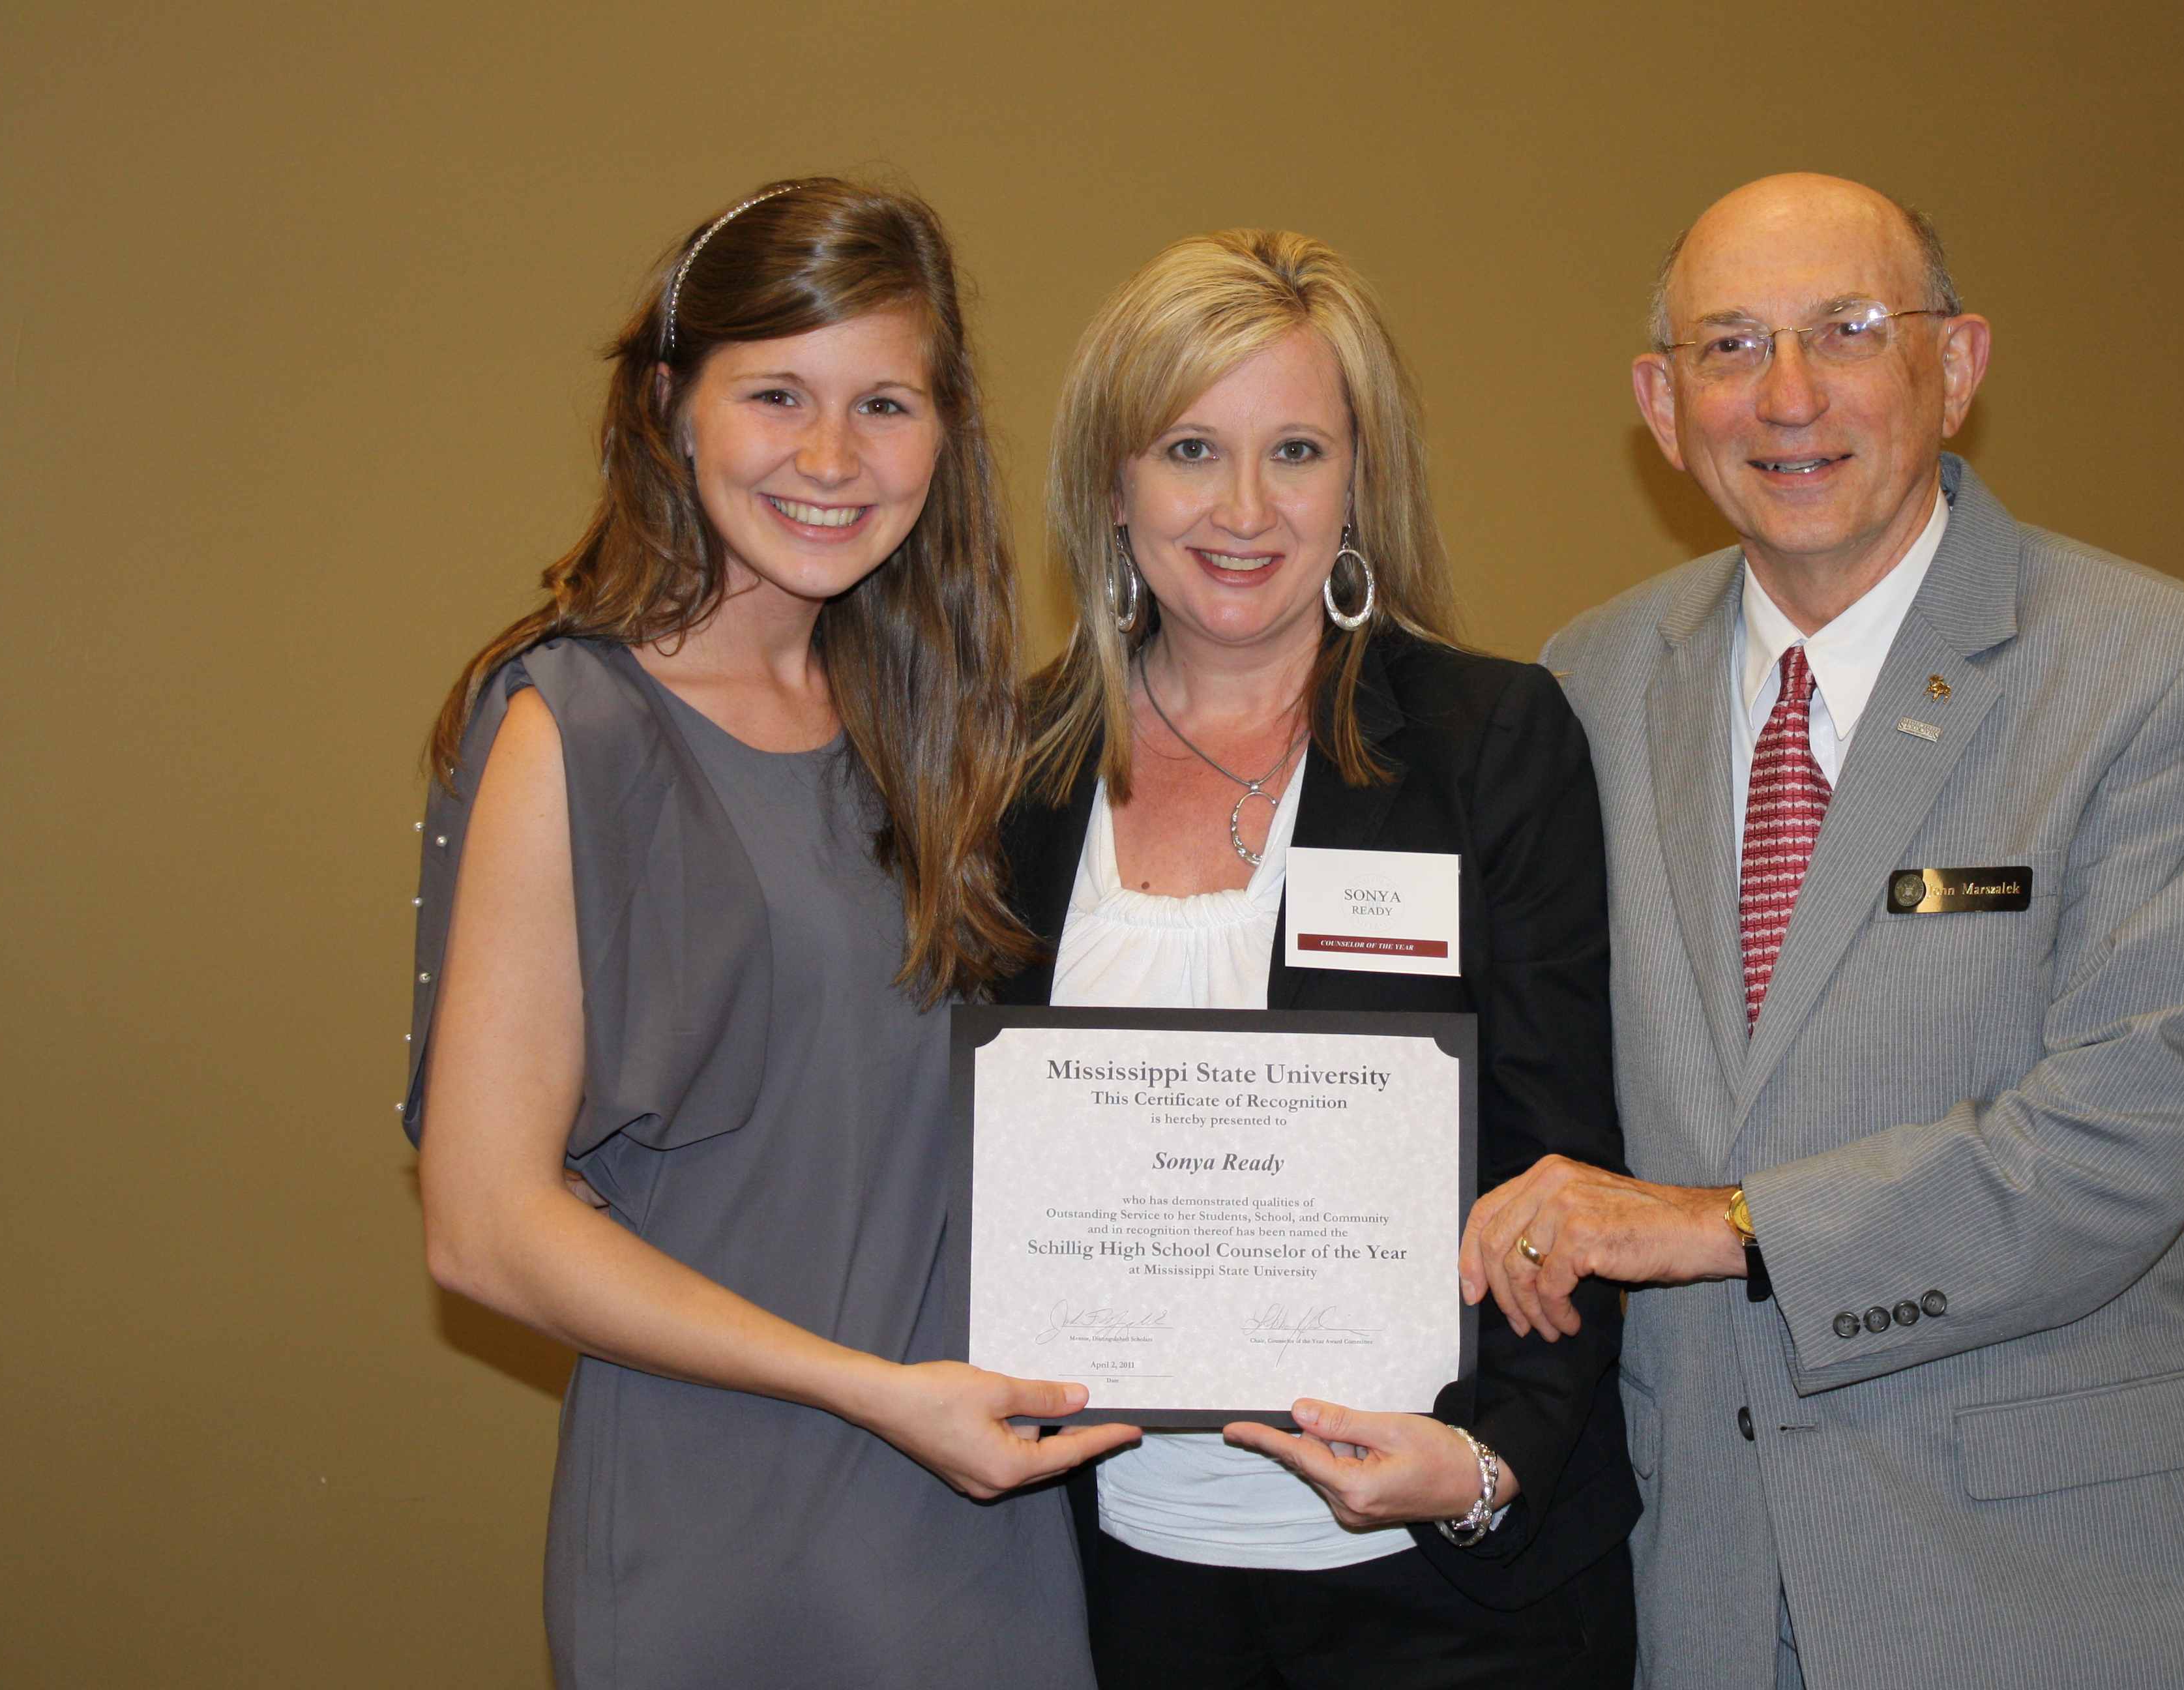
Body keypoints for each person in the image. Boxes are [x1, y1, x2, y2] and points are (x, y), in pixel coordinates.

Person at [1462, 173, 2184, 1689]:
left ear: (1958, 366)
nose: (1788, 397)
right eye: (1729, 347)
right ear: (1661, 402)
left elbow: (2126, 1133)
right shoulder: (1584, 683)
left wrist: (1726, 1224)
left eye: (1847, 330)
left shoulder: (2164, 676)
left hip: (2048, 1594)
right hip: (1693, 1585)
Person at [404, 177, 1137, 1689]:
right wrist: (871, 1393)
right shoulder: (570, 728)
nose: (830, 457)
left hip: (981, 1534)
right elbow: (483, 1225)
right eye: (777, 394)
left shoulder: (943, 735)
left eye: (885, 404)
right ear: (671, 406)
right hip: (724, 1538)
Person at [1000, 229, 1640, 1688]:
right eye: (1187, 449)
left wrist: (1484, 1470)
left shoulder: (1491, 743)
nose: (1242, 508)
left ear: (1362, 483)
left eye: (1296, 449)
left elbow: (1566, 1160)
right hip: (1109, 1584)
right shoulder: (1008, 772)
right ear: (1112, 484)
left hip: (1445, 1596)